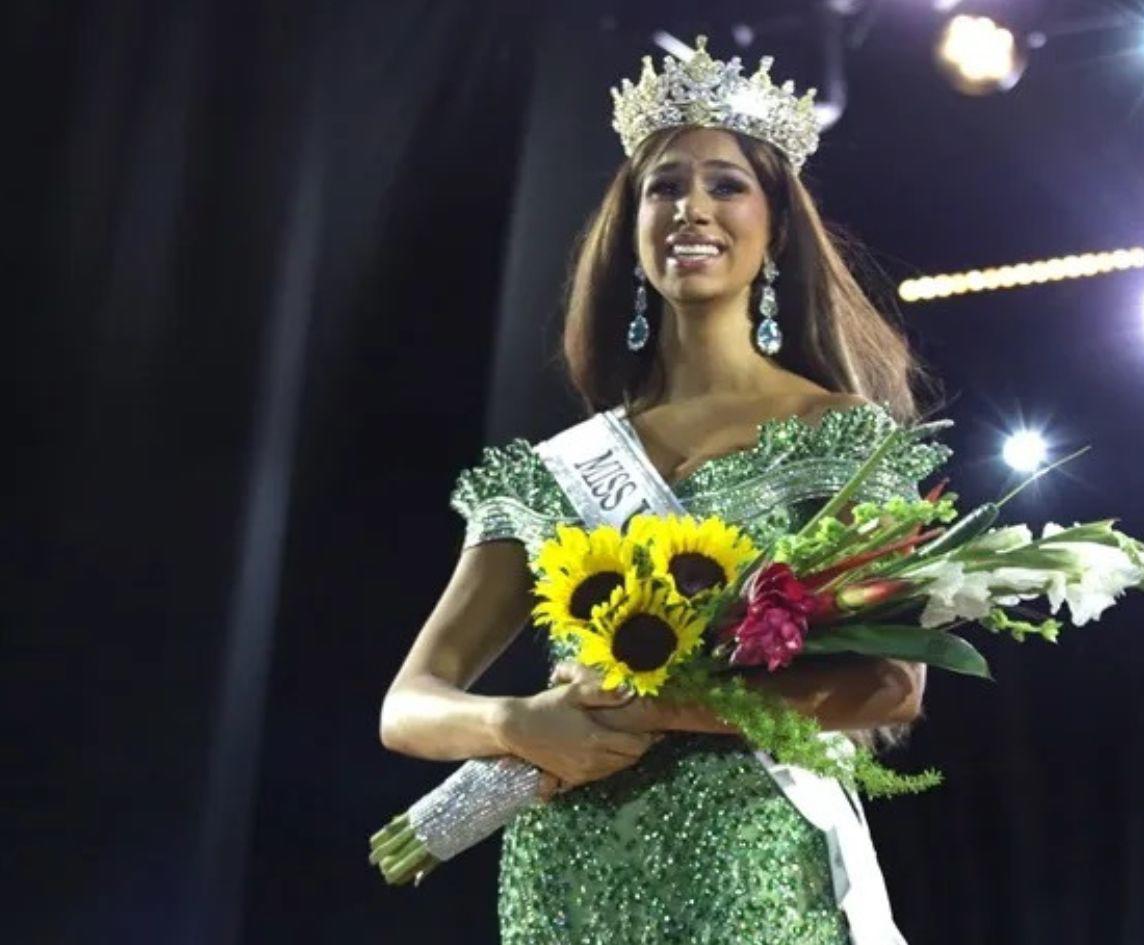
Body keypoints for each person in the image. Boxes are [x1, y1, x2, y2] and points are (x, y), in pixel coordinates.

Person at [379, 36, 951, 945]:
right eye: (663, 186)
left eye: (726, 184)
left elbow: (890, 685)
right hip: (567, 883)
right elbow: (409, 705)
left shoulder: (844, 440)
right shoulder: (553, 470)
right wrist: (519, 721)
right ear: (633, 225)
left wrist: (659, 706)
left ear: (775, 227)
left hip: (754, 875)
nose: (692, 207)